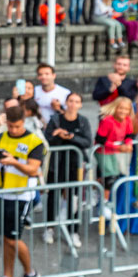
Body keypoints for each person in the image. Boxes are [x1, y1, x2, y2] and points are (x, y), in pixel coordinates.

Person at [0, 104, 45, 277]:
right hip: (1, 193)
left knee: (13, 239)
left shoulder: (34, 141)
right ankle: (7, 276)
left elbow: (33, 170)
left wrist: (13, 162)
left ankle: (30, 273)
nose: (13, 130)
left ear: (24, 122)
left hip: (21, 195)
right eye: (10, 126)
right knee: (6, 238)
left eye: (17, 126)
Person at [42, 91, 91, 246]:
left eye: (77, 101)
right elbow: (47, 139)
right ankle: (49, 228)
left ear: (80, 105)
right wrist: (57, 134)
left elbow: (87, 141)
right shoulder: (56, 119)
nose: (73, 104)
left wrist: (71, 137)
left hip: (75, 164)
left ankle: (73, 230)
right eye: (70, 101)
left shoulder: (83, 121)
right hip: (56, 163)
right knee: (53, 196)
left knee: (74, 198)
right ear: (66, 102)